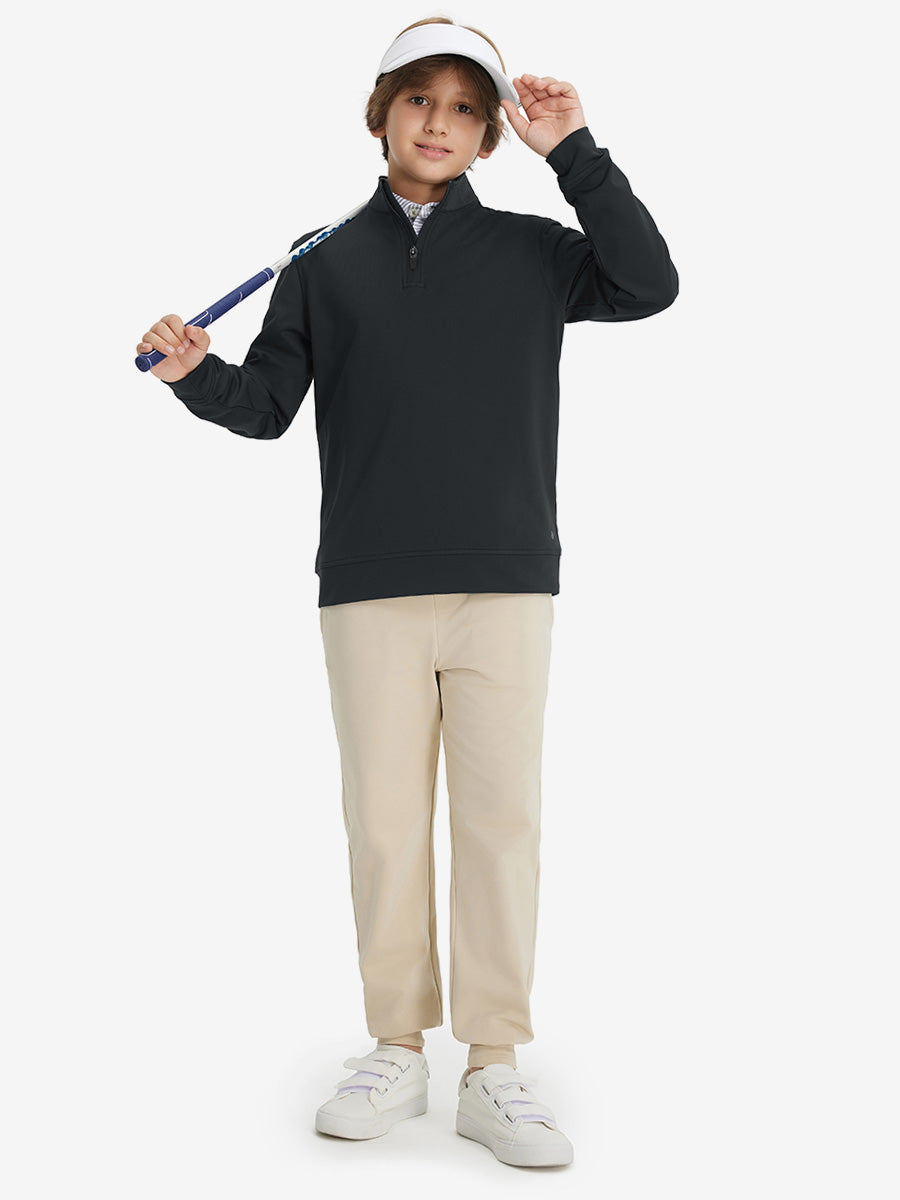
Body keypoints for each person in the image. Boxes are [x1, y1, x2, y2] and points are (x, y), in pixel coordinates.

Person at [136, 16, 678, 1169]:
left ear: (489, 135)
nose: (440, 122)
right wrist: (196, 375)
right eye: (420, 99)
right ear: (381, 112)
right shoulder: (321, 260)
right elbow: (265, 407)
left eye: (466, 108)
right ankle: (395, 1046)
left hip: (506, 584)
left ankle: (493, 1065)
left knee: (498, 824)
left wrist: (576, 152)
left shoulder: (536, 252)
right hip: (370, 588)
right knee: (384, 827)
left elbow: (648, 282)